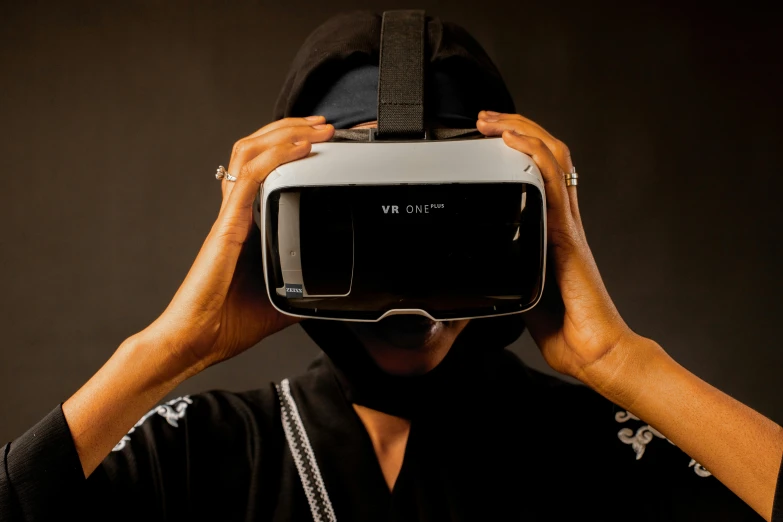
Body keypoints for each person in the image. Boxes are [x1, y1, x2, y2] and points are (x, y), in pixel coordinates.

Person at [1, 10, 782, 522]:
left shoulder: (606, 448)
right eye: (367, 217)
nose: (411, 266)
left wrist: (623, 362)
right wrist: (171, 346)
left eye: (451, 215)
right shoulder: (202, 449)